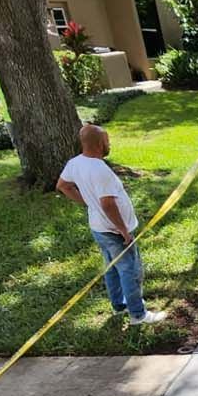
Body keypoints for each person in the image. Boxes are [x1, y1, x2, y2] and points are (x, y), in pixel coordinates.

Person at [55, 124, 167, 325]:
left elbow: (62, 186)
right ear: (99, 144)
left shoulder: (75, 163)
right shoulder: (101, 170)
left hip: (98, 228)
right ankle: (137, 314)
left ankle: (119, 306)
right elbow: (107, 203)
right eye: (107, 141)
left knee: (112, 267)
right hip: (113, 231)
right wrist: (123, 230)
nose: (109, 144)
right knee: (129, 270)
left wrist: (86, 202)